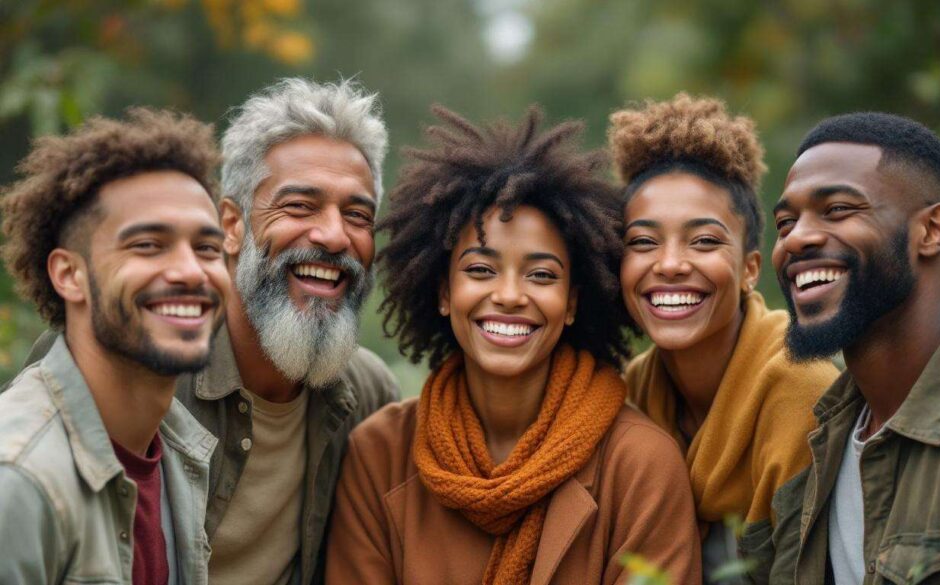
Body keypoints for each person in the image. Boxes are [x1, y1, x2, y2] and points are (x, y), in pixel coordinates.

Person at [15, 78, 401, 585]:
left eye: (357, 215)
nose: (333, 236)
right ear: (231, 226)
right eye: (300, 206)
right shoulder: (132, 367)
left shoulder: (368, 399)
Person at [325, 106, 702, 584]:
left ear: (571, 303)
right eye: (480, 270)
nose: (508, 296)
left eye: (541, 275)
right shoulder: (378, 454)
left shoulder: (640, 466)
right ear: (444, 292)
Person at [768, 112, 940, 584]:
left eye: (839, 209)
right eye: (785, 222)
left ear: (933, 230)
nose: (796, 238)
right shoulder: (825, 430)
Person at [607, 93, 838, 581]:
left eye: (705, 241)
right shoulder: (631, 391)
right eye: (643, 242)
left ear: (750, 268)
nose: (669, 264)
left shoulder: (802, 390)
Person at [0, 109, 229, 584]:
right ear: (69, 275)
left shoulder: (174, 452)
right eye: (148, 245)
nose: (191, 270)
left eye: (208, 248)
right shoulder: (19, 480)